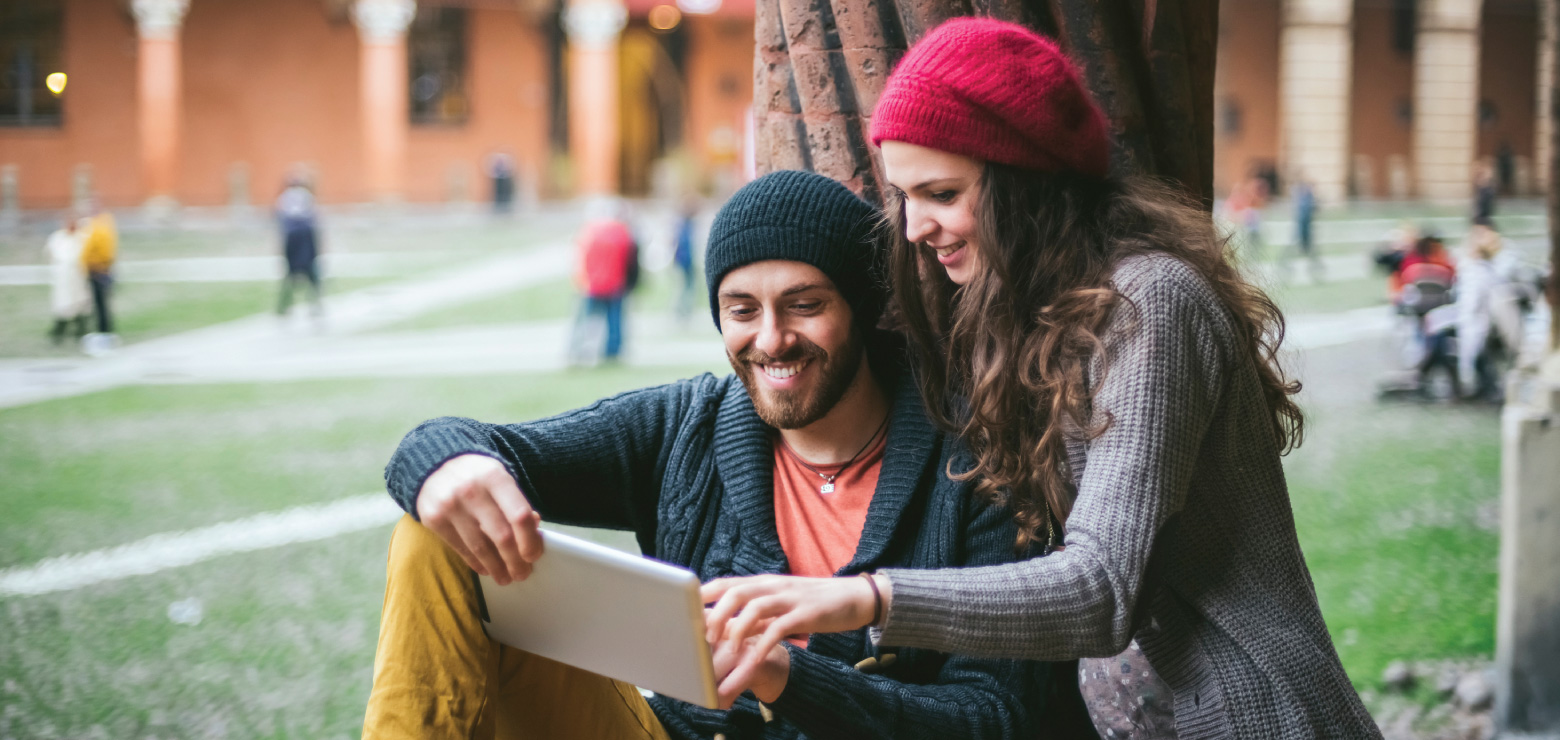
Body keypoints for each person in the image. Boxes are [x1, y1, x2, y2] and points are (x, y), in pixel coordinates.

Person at [700, 19, 1380, 740]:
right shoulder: (1024, 312)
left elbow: (1101, 589)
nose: (914, 228)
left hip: (1252, 716)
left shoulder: (1150, 307)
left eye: (940, 192)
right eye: (904, 197)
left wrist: (862, 598)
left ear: (1024, 182)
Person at [361, 170, 1070, 740]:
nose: (770, 340)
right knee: (436, 536)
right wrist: (450, 465)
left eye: (804, 304)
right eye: (741, 310)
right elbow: (452, 443)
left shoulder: (980, 456)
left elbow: (995, 718)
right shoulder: (686, 427)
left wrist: (784, 678)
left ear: (866, 308)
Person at [568, 204, 637, 364]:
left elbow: (579, 257)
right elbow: (629, 259)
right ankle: (612, 351)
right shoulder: (621, 232)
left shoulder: (588, 231)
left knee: (586, 319)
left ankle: (577, 348)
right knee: (614, 320)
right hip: (615, 283)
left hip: (592, 284)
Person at [275, 175, 323, 319]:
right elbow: (314, 220)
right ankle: (314, 305)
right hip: (304, 238)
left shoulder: (284, 198)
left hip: (293, 237)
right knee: (311, 275)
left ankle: (285, 306)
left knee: (291, 275)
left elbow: (281, 220)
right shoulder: (306, 197)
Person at [44, 216, 91, 344]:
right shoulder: (58, 238)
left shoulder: (82, 237)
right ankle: (59, 333)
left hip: (78, 277)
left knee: (80, 304)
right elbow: (51, 253)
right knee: (63, 305)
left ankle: (81, 332)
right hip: (63, 277)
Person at [79, 201, 119, 351]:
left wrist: (98, 266)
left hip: (98, 270)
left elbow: (102, 250)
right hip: (100, 269)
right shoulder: (103, 224)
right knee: (101, 305)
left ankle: (104, 334)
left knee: (101, 304)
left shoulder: (100, 226)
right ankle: (105, 333)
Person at [1289, 174, 1323, 283]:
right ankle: (1289, 268)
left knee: (1310, 253)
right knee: (1302, 251)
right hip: (1302, 230)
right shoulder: (1303, 197)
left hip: (1306, 230)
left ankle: (1314, 270)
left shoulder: (1308, 198)